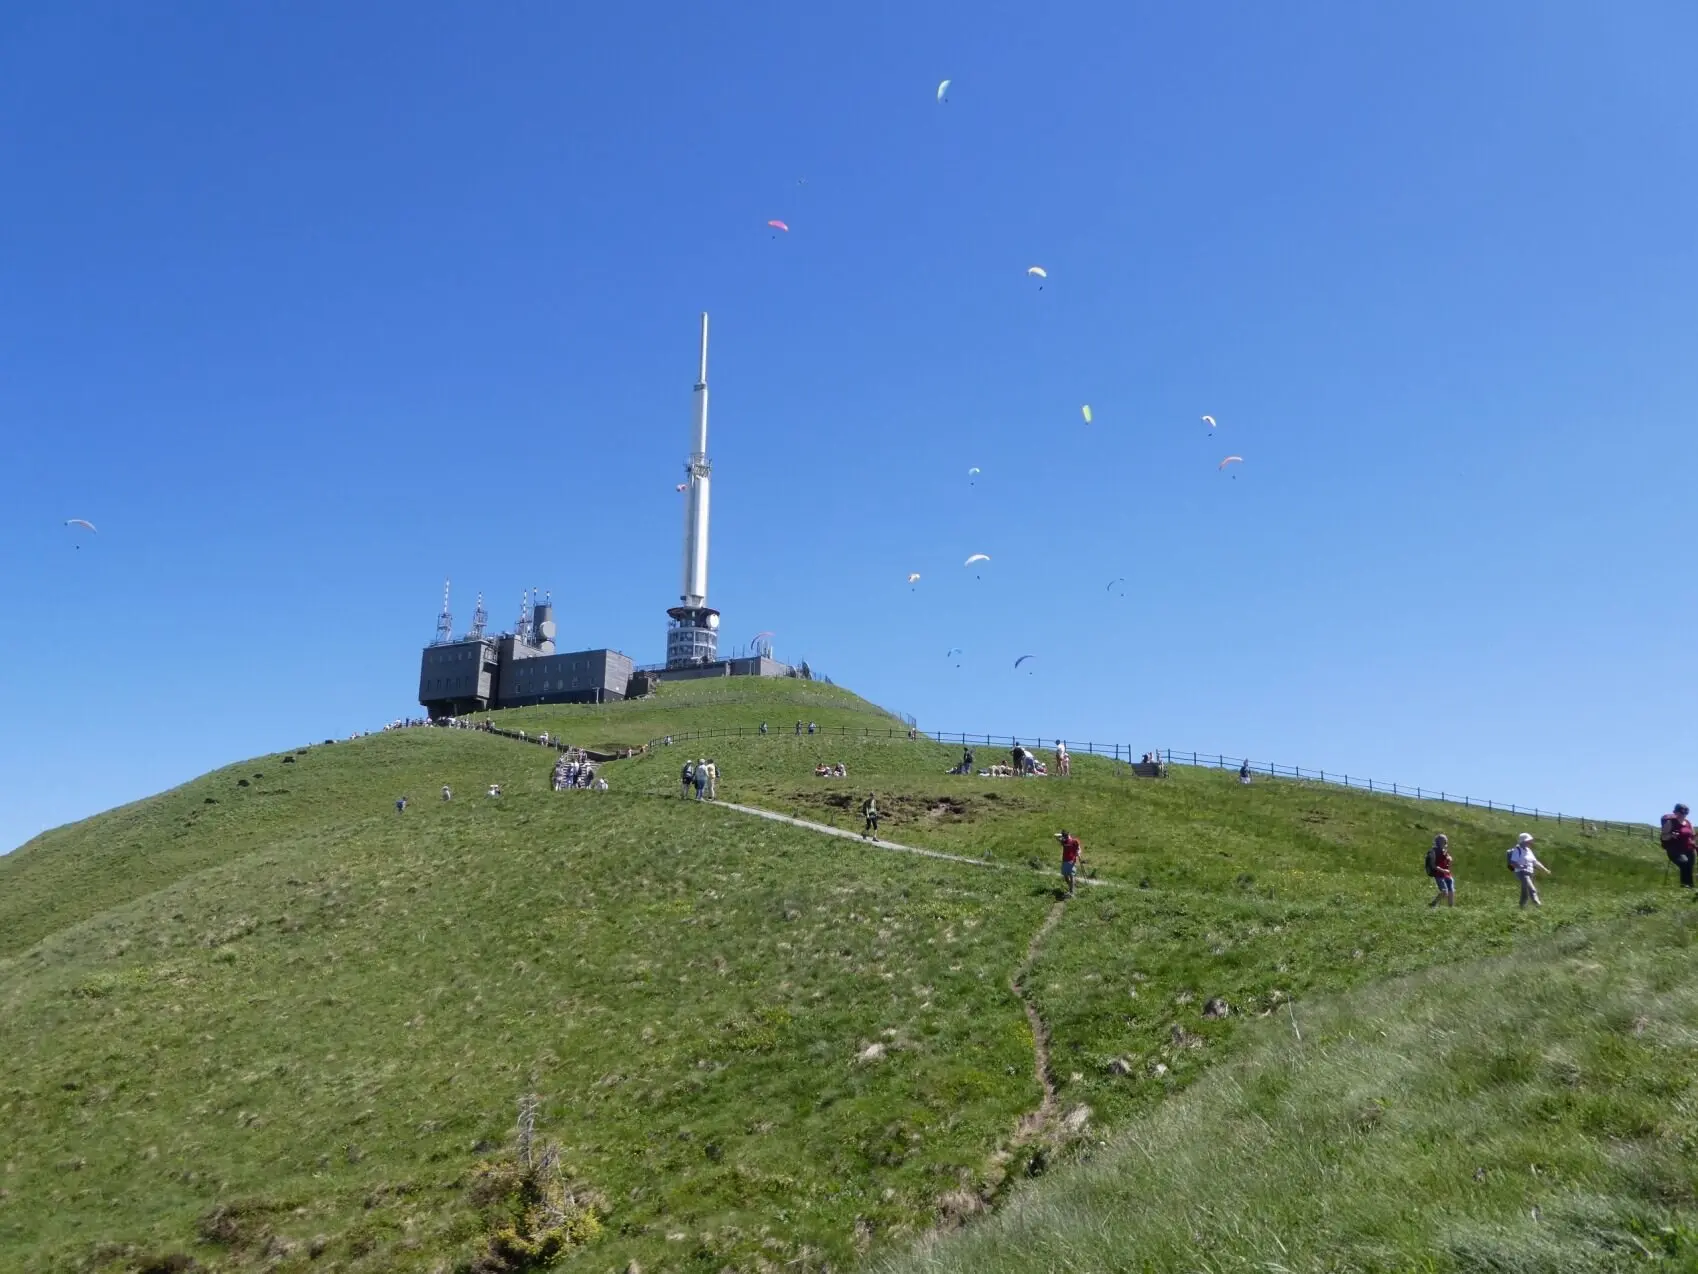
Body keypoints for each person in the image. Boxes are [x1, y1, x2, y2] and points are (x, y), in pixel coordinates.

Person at [1508, 833, 1550, 908]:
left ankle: (1521, 905)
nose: (1531, 842)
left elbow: (1535, 862)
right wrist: (1521, 866)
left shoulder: (1528, 850)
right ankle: (1538, 905)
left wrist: (1544, 869)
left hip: (1530, 873)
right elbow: (1513, 862)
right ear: (1523, 841)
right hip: (1522, 872)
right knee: (1532, 889)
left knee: (1525, 889)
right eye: (1529, 841)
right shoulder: (1517, 850)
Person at [1661, 803, 1695, 889]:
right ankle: (1685, 886)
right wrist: (1671, 835)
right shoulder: (1670, 822)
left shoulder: (1688, 823)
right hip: (1675, 850)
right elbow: (1663, 836)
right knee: (1684, 863)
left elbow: (1692, 836)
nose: (1682, 814)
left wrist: (1694, 841)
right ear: (1675, 812)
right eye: (1680, 812)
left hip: (1688, 849)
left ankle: (1689, 887)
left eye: (1685, 813)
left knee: (1689, 866)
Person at [1425, 834, 1455, 908]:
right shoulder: (1433, 851)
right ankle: (1433, 904)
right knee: (1444, 891)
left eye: (1445, 841)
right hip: (1439, 874)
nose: (1444, 843)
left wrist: (1449, 859)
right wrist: (1443, 870)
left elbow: (1447, 862)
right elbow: (1433, 865)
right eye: (1442, 841)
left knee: (1451, 890)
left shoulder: (1444, 851)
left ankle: (1450, 907)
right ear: (1437, 842)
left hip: (1446, 874)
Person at [1055, 830, 1082, 897]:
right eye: (1064, 836)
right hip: (1064, 860)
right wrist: (1060, 835)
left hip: (1071, 861)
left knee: (1071, 876)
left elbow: (1079, 849)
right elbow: (1055, 836)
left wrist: (1078, 853)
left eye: (1066, 836)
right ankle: (1071, 888)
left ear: (1068, 835)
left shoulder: (1074, 841)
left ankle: (1072, 892)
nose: (1065, 838)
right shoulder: (1064, 841)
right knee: (1065, 876)